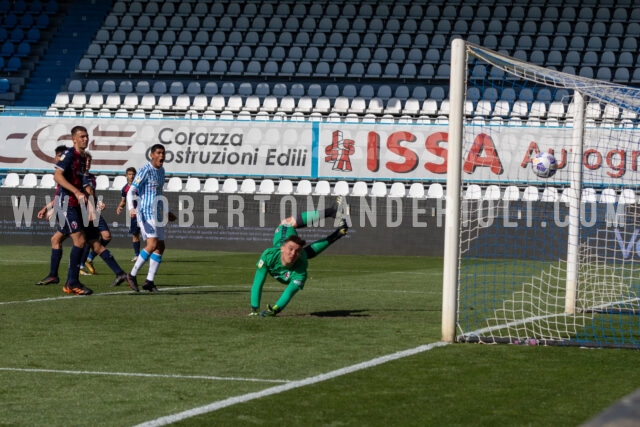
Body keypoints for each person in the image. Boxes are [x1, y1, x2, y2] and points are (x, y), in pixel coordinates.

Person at [249, 197, 349, 317]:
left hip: (297, 257)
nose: (292, 254)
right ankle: (332, 215)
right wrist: (254, 309)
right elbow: (258, 283)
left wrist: (275, 310)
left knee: (302, 251)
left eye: (296, 251)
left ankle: (334, 220)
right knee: (286, 224)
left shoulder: (301, 268)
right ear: (282, 248)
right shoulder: (268, 256)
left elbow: (290, 291)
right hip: (283, 237)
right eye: (290, 250)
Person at [125, 144, 176, 293]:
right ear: (152, 155)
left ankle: (149, 281)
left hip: (157, 213)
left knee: (161, 247)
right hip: (145, 211)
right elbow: (131, 191)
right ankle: (132, 275)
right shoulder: (145, 170)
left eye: (163, 153)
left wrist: (167, 211)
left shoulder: (162, 171)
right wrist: (131, 208)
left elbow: (159, 194)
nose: (162, 156)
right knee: (152, 243)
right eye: (159, 153)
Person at [53, 125, 92, 295]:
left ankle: (70, 281)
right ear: (74, 139)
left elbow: (82, 181)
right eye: (82, 136)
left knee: (79, 241)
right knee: (80, 241)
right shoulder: (69, 155)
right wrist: (76, 191)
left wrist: (89, 198)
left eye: (86, 136)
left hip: (75, 204)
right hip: (65, 202)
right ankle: (72, 282)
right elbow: (57, 176)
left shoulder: (83, 158)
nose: (85, 139)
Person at [80, 156, 128, 288]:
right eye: (86, 161)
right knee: (84, 240)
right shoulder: (78, 176)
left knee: (106, 236)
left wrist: (98, 203)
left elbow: (92, 194)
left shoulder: (91, 177)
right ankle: (80, 266)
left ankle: (89, 259)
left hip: (93, 212)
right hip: (82, 213)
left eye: (90, 161)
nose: (88, 163)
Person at [35, 145, 69, 286]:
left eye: (58, 156)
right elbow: (58, 197)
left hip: (73, 212)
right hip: (71, 211)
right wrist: (46, 208)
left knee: (89, 243)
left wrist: (54, 210)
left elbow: (66, 195)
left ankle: (57, 276)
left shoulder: (64, 174)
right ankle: (54, 275)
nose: (56, 159)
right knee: (57, 240)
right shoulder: (61, 174)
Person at [115, 167, 141, 262]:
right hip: (134, 214)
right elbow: (123, 201)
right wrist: (119, 207)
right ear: (126, 176)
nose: (131, 176)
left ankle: (152, 253)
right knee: (135, 234)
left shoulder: (140, 186)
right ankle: (137, 255)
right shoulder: (125, 189)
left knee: (150, 236)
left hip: (144, 212)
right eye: (129, 174)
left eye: (133, 174)